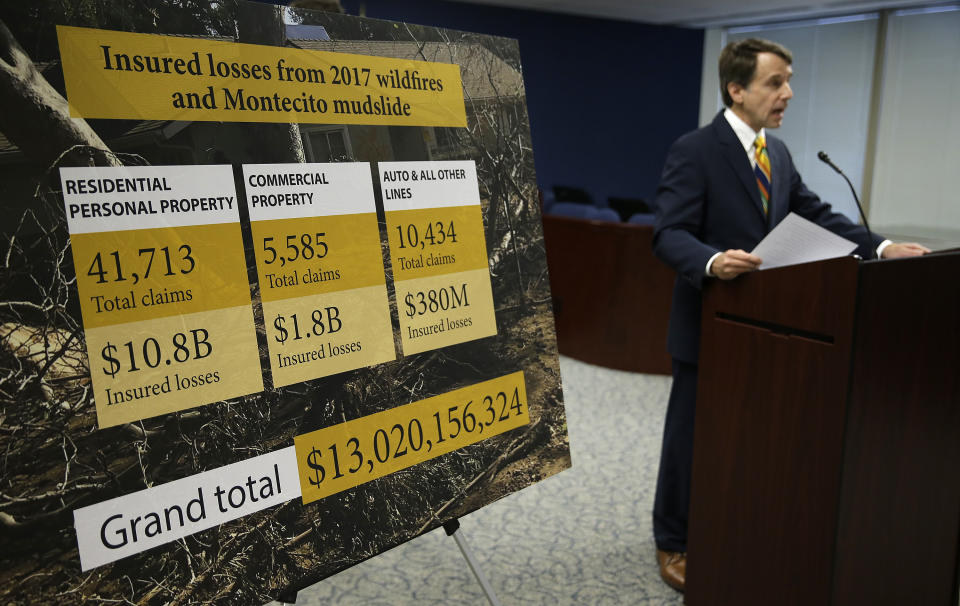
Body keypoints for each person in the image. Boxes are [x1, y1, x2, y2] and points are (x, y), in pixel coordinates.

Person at [649, 38, 929, 592]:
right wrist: (711, 260)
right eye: (776, 82)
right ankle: (673, 541)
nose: (788, 93)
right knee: (690, 438)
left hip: (765, 329)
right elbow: (668, 234)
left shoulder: (775, 154)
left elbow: (817, 215)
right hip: (709, 323)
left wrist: (882, 245)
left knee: (743, 437)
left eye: (789, 80)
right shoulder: (695, 149)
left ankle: (725, 522)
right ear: (737, 89)